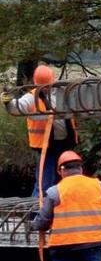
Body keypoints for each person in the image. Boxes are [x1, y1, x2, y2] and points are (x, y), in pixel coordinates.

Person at [14, 65, 79, 196]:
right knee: (44, 184)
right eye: (43, 86)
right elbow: (18, 107)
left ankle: (58, 211)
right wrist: (8, 102)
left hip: (65, 144)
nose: (46, 88)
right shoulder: (32, 97)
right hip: (46, 147)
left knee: (65, 182)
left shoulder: (60, 93)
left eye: (47, 85)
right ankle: (36, 213)